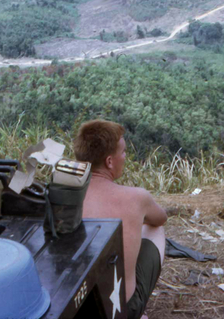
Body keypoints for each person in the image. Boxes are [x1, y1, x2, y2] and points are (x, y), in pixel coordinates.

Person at [74, 120, 167, 319]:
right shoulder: (137, 197)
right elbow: (160, 218)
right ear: (109, 161)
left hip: (76, 310)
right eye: (123, 152)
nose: (125, 157)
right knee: (154, 229)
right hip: (122, 311)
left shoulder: (61, 198)